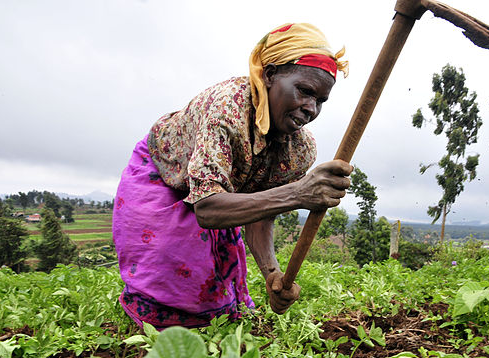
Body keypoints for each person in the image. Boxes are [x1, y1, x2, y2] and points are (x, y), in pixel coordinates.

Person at [112, 23, 353, 329]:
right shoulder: (228, 110)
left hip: (220, 191)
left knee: (215, 295)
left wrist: (272, 274)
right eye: (304, 91)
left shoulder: (299, 149)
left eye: (320, 100)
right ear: (269, 75)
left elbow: (261, 212)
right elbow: (208, 208)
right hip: (164, 173)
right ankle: (151, 333)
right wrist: (298, 194)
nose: (311, 109)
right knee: (170, 266)